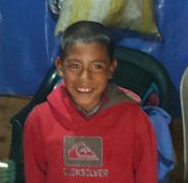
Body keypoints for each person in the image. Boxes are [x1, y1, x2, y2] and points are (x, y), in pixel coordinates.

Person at [23, 21, 157, 183]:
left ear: (111, 68)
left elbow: (147, 176)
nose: (85, 77)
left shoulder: (135, 120)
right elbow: (34, 176)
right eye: (74, 65)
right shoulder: (40, 119)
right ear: (60, 66)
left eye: (97, 66)